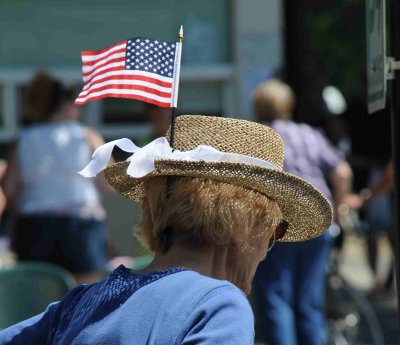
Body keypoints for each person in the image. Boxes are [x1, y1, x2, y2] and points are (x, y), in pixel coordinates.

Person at [0, 114, 333, 344]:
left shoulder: (80, 302)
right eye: (276, 231)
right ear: (248, 225)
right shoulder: (218, 306)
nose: (267, 250)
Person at [252, 79, 360, 345]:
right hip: (318, 220)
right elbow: (343, 172)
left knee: (276, 297)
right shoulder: (310, 134)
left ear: (258, 107)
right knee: (310, 301)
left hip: (279, 224)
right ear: (289, 105)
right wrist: (340, 208)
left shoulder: (257, 137)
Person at [2, 72, 113, 284]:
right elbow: (109, 183)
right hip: (81, 224)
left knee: (39, 300)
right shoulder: (86, 135)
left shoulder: (24, 138)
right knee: (86, 298)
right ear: (65, 103)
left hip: (35, 227)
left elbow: (9, 190)